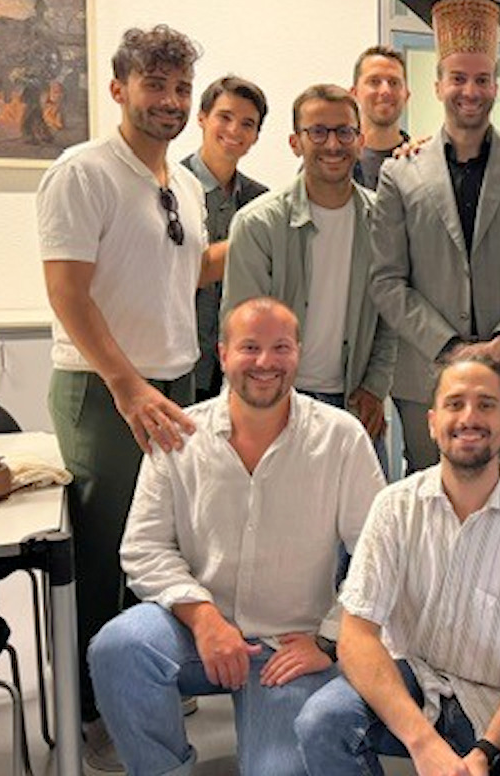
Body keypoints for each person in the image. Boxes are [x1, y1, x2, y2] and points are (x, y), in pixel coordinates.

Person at [88, 297, 384, 776]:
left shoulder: (341, 438)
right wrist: (204, 619)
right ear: (222, 355)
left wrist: (328, 641)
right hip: (195, 636)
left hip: (288, 648)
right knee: (118, 649)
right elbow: (144, 547)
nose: (265, 362)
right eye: (250, 347)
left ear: (298, 354)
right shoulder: (179, 434)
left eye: (280, 347)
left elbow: (378, 556)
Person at [36, 24, 222, 767]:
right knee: (105, 551)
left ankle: (139, 682)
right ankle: (89, 709)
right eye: (155, 85)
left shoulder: (182, 184)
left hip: (173, 382)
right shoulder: (83, 173)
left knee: (163, 545)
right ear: (118, 89)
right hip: (106, 388)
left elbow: (188, 270)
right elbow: (67, 292)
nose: (170, 100)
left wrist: (283, 225)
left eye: (181, 88)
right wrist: (125, 385)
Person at [295, 354, 500, 776]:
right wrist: (423, 743)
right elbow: (356, 635)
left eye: (486, 405)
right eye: (455, 403)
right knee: (321, 722)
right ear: (432, 422)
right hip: (411, 681)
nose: (469, 417)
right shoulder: (394, 508)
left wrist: (483, 752)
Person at [371, 0, 500, 486]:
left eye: (482, 79)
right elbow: (387, 282)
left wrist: (499, 346)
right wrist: (450, 346)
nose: (470, 91)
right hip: (427, 375)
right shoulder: (401, 173)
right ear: (437, 84)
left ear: (496, 85)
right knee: (432, 504)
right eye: (458, 78)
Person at [223, 84, 395, 452]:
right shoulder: (258, 225)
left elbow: (390, 316)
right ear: (295, 142)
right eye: (317, 132)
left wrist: (375, 387)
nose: (332, 144)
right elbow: (241, 331)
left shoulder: (384, 222)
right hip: (275, 402)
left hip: (356, 404)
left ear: (360, 141)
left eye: (344, 132)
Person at [182, 75, 269, 402]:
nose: (235, 130)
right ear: (202, 118)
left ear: (256, 136)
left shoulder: (262, 202)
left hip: (237, 368)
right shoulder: (169, 188)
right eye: (225, 117)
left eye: (247, 124)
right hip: (178, 365)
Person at [350, 45, 411, 190]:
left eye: (394, 82)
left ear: (406, 95)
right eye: (374, 81)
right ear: (354, 93)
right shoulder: (333, 163)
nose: (385, 91)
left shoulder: (420, 163)